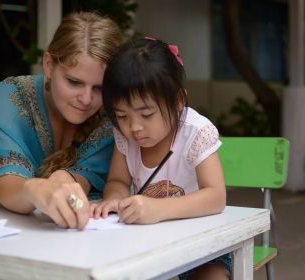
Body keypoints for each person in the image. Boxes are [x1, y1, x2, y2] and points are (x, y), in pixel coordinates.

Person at [90, 38, 231, 280]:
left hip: (204, 245)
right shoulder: (126, 138)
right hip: (149, 243)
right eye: (122, 115)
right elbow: (117, 181)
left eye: (146, 114)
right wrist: (114, 199)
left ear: (177, 101)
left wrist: (158, 209)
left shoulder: (195, 132)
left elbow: (216, 196)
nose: (134, 127)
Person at [0, 11, 122, 230]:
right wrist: (34, 190)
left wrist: (62, 183)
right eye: (74, 82)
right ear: (48, 65)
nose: (86, 99)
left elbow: (82, 178)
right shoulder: (6, 99)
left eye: (100, 88)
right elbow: (7, 183)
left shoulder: (114, 115)